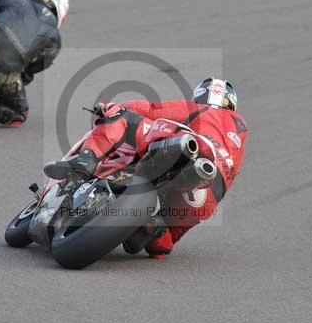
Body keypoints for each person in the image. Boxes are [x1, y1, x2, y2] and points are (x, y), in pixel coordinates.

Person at [44, 78, 247, 258]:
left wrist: (110, 107)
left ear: (199, 97)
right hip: (208, 192)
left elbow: (150, 110)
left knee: (122, 115)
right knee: (161, 245)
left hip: (187, 148)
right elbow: (229, 176)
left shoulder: (198, 109)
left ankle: (86, 160)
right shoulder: (240, 131)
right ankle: (152, 228)